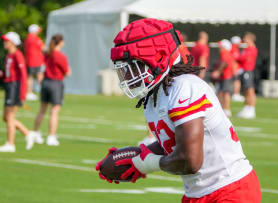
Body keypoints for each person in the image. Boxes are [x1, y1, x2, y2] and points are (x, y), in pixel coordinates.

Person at [96, 18, 261, 203]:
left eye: (133, 66)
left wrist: (146, 163)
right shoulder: (155, 96)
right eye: (124, 69)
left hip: (230, 190)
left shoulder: (185, 88)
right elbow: (172, 143)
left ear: (158, 57)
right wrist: (139, 155)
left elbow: (190, 160)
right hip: (198, 193)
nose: (127, 75)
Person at [0, 32, 38, 152]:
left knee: (10, 116)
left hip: (15, 88)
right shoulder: (9, 56)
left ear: (13, 43)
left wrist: (23, 93)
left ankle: (11, 144)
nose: (5, 42)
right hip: (9, 87)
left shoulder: (17, 55)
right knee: (6, 117)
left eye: (7, 41)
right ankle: (28, 133)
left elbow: (23, 75)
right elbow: (8, 74)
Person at [33, 34, 71, 146]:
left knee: (42, 110)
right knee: (54, 111)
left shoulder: (47, 53)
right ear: (61, 42)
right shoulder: (60, 56)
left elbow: (41, 68)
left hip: (45, 82)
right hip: (55, 83)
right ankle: (51, 136)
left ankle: (35, 133)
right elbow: (67, 72)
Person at [211, 39, 237, 117]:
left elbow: (224, 63)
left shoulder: (224, 53)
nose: (219, 47)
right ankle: (224, 109)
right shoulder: (227, 53)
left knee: (225, 93)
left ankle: (226, 110)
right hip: (226, 75)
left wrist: (218, 72)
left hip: (226, 75)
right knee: (222, 93)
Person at [236, 32, 258, 119]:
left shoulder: (251, 49)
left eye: (245, 38)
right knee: (246, 90)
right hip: (245, 71)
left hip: (248, 71)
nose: (244, 40)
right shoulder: (247, 48)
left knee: (250, 90)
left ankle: (251, 109)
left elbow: (243, 59)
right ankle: (246, 108)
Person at [24, 24, 45, 101]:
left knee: (30, 77)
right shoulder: (35, 38)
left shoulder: (27, 38)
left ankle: (29, 92)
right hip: (36, 61)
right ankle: (44, 92)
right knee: (39, 76)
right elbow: (43, 47)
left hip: (29, 60)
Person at [230, 36, 245, 102]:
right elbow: (234, 61)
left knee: (237, 81)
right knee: (237, 81)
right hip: (235, 69)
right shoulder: (234, 49)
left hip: (235, 68)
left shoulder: (233, 48)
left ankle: (236, 94)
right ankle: (236, 94)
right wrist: (235, 69)